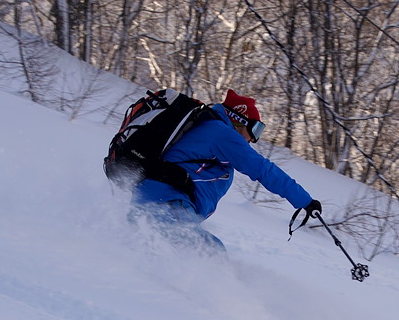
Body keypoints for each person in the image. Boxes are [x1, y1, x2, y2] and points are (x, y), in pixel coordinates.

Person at [130, 89, 322, 254]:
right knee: (210, 254)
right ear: (239, 120)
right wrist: (304, 200)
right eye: (255, 128)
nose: (254, 139)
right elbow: (263, 168)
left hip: (154, 202)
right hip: (167, 204)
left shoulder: (208, 129)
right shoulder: (222, 134)